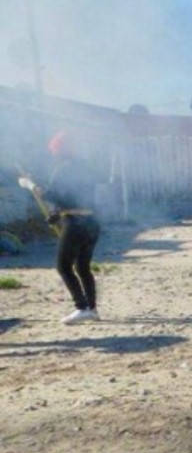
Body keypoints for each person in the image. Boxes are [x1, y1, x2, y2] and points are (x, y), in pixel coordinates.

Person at [41, 131, 102, 325]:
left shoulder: (62, 168)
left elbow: (54, 195)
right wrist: (58, 214)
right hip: (92, 222)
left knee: (63, 267)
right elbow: (75, 199)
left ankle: (81, 307)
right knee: (82, 267)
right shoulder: (87, 167)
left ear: (58, 149)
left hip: (75, 225)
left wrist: (38, 191)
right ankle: (92, 309)